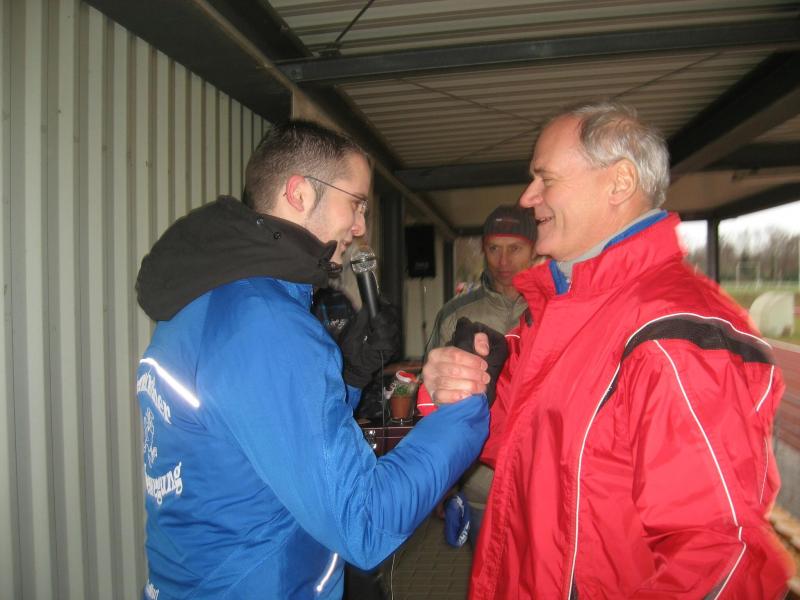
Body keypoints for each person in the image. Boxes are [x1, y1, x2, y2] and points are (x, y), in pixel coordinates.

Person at [424, 100, 794, 598]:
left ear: (619, 182)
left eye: (545, 178)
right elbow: (513, 438)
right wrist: (455, 389)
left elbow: (719, 559)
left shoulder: (675, 336)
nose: (528, 197)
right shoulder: (558, 315)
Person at [134, 120, 491, 599]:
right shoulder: (266, 323)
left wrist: (349, 374)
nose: (360, 227)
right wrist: (466, 412)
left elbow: (267, 449)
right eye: (356, 203)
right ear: (299, 193)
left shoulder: (208, 298)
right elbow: (365, 521)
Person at [425, 204, 538, 547]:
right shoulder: (455, 314)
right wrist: (443, 483)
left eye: (515, 248)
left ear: (534, 249)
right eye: (493, 248)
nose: (503, 260)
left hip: (542, 491)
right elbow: (434, 404)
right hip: (479, 492)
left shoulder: (555, 308)